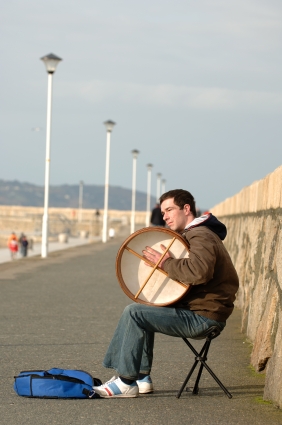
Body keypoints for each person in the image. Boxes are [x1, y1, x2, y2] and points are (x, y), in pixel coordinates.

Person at [93, 189, 239, 398]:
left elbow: (200, 272)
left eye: (169, 210)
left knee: (135, 313)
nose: (165, 216)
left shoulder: (201, 235)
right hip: (203, 312)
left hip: (205, 319)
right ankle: (142, 377)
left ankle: (126, 381)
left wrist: (165, 263)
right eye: (163, 212)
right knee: (149, 306)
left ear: (186, 209)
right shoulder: (196, 233)